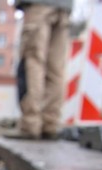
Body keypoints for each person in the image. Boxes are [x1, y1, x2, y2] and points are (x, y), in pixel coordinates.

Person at [15, 0, 73, 139]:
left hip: (39, 5)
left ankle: (30, 124)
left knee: (33, 61)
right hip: (64, 7)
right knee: (56, 68)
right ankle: (50, 124)